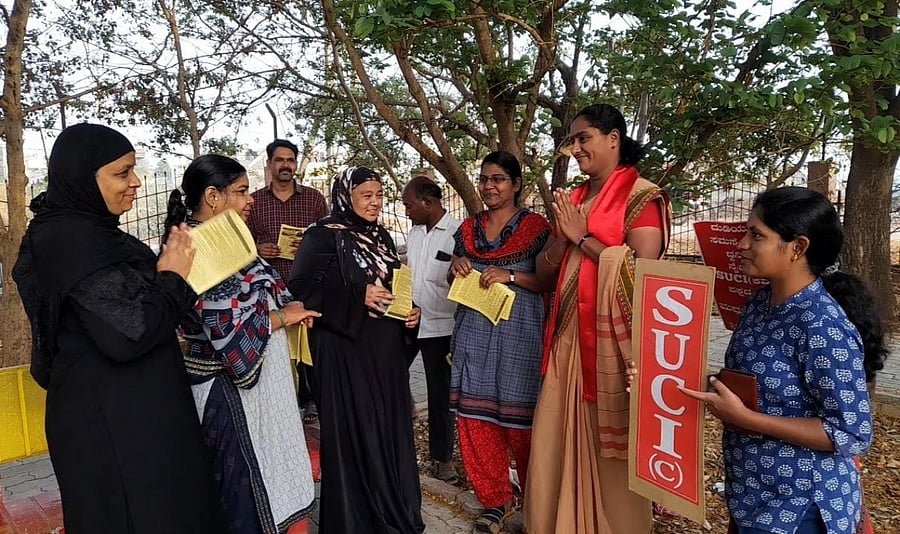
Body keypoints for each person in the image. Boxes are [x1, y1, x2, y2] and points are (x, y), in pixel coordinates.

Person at [12, 123, 222, 533]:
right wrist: (174, 276)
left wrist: (170, 272)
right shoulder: (67, 241)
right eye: (122, 173)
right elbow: (130, 333)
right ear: (81, 177)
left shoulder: (97, 236)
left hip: (142, 417)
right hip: (114, 429)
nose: (136, 183)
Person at [681, 187, 882, 534]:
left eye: (756, 235)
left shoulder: (822, 325)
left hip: (800, 504)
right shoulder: (760, 304)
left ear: (797, 248)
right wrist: (667, 378)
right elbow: (748, 384)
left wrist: (747, 419)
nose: (741, 244)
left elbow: (851, 432)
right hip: (753, 494)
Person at [525, 103, 671, 534]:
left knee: (612, 453)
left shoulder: (641, 196)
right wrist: (560, 241)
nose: (575, 149)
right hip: (568, 340)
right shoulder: (573, 199)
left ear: (613, 139)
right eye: (572, 140)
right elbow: (547, 270)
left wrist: (582, 238)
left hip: (615, 348)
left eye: (583, 138)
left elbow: (644, 276)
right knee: (554, 437)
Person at [163, 154, 318, 534]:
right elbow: (226, 332)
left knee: (280, 481)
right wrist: (283, 317)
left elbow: (264, 292)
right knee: (245, 495)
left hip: (267, 389)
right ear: (213, 196)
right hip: (231, 394)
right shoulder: (196, 249)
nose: (251, 200)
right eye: (242, 192)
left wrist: (288, 307)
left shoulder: (228, 240)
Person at [288, 166, 425, 534]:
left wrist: (410, 311)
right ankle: (355, 522)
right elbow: (300, 289)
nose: (375, 202)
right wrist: (356, 295)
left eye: (379, 195)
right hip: (343, 353)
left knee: (387, 430)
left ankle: (393, 513)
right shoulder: (323, 235)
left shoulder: (380, 235)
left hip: (383, 351)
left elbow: (396, 284)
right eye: (367, 195)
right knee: (355, 433)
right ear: (346, 195)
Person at [448, 150, 551, 533]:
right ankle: (496, 501)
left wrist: (510, 276)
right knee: (476, 422)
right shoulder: (468, 229)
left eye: (498, 180)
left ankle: (535, 502)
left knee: (523, 427)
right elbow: (455, 276)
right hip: (474, 334)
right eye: (485, 179)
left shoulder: (538, 229)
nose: (489, 186)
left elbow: (548, 281)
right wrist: (455, 268)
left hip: (519, 339)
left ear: (516, 184)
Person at [247, 139, 328, 423]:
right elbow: (240, 244)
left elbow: (329, 237)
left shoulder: (314, 199)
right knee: (280, 350)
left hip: (308, 286)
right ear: (269, 164)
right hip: (269, 289)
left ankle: (315, 403)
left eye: (290, 160)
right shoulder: (253, 202)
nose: (285, 165)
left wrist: (309, 246)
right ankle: (284, 404)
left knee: (313, 344)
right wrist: (257, 249)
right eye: (279, 160)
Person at [401, 175, 462, 483]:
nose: (406, 211)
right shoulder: (413, 235)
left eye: (409, 205)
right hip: (410, 320)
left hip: (441, 325)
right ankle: (400, 433)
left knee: (440, 396)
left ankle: (442, 459)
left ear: (428, 202)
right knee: (391, 372)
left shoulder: (456, 235)